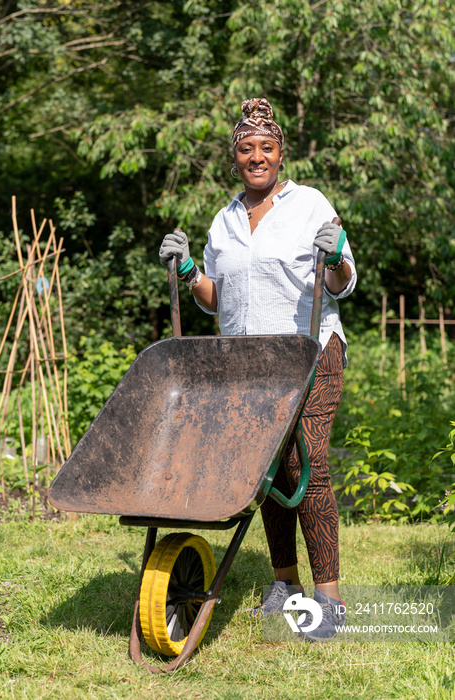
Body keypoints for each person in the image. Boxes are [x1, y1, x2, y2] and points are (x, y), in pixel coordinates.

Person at [159, 97, 356, 641]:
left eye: (266, 148)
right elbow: (216, 300)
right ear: (235, 158)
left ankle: (329, 600)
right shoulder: (225, 219)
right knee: (267, 474)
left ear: (281, 155)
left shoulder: (310, 204)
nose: (256, 157)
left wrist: (336, 253)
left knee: (306, 466)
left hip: (310, 352)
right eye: (246, 149)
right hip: (248, 364)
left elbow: (341, 283)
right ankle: (285, 587)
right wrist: (191, 270)